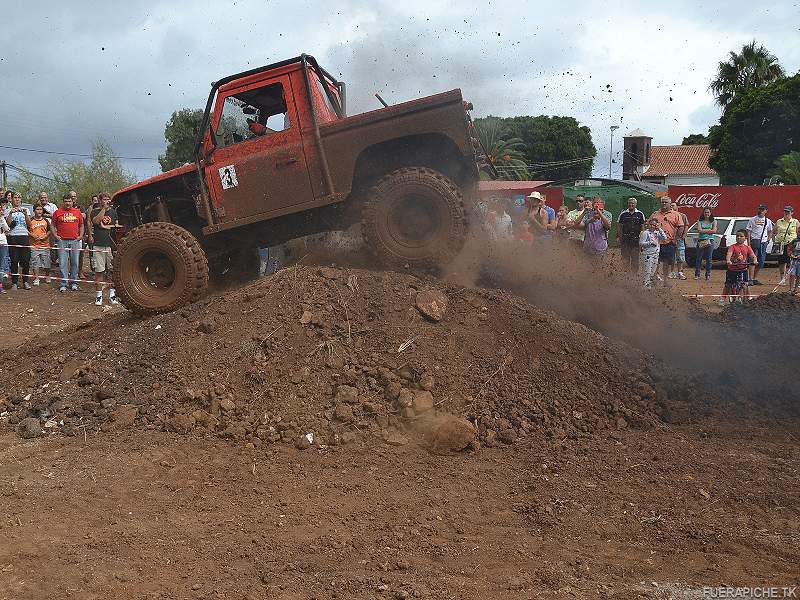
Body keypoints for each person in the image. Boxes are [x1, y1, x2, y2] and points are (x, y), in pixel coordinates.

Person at [90, 193, 119, 305]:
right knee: (99, 272)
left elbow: (116, 225)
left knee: (112, 271)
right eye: (104, 199)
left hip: (111, 246)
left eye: (108, 199)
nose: (106, 201)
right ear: (100, 201)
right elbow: (96, 222)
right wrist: (104, 210)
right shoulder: (95, 211)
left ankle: (112, 296)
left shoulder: (113, 212)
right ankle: (99, 296)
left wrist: (110, 226)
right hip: (99, 245)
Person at [52, 193, 85, 292]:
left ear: (72, 202)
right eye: (66, 201)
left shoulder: (77, 212)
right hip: (62, 241)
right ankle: (64, 283)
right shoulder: (58, 212)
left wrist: (81, 236)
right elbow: (52, 225)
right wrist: (55, 236)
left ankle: (74, 282)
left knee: (75, 262)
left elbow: (81, 225)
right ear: (63, 202)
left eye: (69, 201)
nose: (68, 203)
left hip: (75, 240)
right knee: (63, 263)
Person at [649, 197, 684, 287]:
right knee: (655, 261)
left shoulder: (676, 214)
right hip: (656, 243)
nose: (664, 204)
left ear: (670, 204)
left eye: (666, 202)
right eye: (662, 202)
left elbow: (681, 226)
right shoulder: (655, 214)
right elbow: (648, 224)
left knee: (667, 262)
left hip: (669, 242)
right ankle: (654, 278)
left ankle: (665, 280)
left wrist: (676, 239)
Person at [4, 192, 32, 290]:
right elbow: (8, 224)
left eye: (19, 198)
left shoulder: (26, 210)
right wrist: (11, 213)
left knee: (25, 261)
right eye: (15, 198)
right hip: (13, 237)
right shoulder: (7, 210)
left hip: (24, 236)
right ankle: (14, 283)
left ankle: (25, 282)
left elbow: (29, 224)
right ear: (12, 199)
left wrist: (25, 215)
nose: (17, 199)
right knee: (14, 260)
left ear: (21, 200)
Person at [722, 229, 756, 304]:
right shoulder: (732, 247)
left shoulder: (748, 247)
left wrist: (755, 260)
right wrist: (728, 260)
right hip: (732, 269)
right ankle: (722, 299)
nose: (739, 238)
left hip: (743, 269)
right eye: (737, 236)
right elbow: (729, 254)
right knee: (728, 284)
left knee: (745, 284)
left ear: (745, 238)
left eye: (741, 236)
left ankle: (749, 298)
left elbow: (753, 255)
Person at [745, 204, 773, 285]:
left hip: (763, 243)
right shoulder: (752, 219)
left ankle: (754, 278)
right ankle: (750, 279)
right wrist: (749, 243)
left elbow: (770, 231)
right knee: (752, 261)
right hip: (754, 242)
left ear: (766, 211)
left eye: (762, 209)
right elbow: (749, 232)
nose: (761, 211)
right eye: (760, 209)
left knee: (761, 262)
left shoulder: (768, 221)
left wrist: (768, 240)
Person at [616, 197, 645, 273]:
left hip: (636, 240)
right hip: (625, 239)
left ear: (636, 204)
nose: (631, 204)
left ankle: (634, 276)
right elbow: (619, 227)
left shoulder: (640, 214)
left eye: (633, 203)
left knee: (635, 259)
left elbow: (642, 227)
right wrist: (619, 237)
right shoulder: (623, 214)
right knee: (625, 258)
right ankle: (625, 275)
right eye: (629, 203)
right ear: (627, 204)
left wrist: (642, 239)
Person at [639, 218, 666, 289]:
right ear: (648, 225)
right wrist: (650, 243)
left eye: (654, 225)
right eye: (651, 224)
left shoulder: (657, 233)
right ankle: (645, 287)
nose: (652, 226)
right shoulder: (645, 233)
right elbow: (641, 243)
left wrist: (659, 229)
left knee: (652, 272)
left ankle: (648, 286)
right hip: (647, 255)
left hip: (655, 254)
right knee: (647, 272)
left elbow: (664, 238)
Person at [774, 206, 798, 286]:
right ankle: (782, 279)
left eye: (788, 212)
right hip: (781, 244)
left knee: (794, 262)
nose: (786, 213)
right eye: (785, 211)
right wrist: (774, 241)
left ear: (792, 213)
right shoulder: (779, 221)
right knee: (782, 262)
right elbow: (774, 232)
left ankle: (795, 280)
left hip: (792, 245)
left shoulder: (795, 222)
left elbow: (799, 233)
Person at [28, 204, 52, 286]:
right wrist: (32, 235)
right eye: (37, 209)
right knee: (35, 263)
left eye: (40, 209)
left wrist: (45, 236)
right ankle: (36, 278)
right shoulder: (30, 220)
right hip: (34, 245)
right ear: (34, 210)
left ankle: (47, 276)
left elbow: (49, 230)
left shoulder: (45, 220)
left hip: (45, 245)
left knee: (47, 262)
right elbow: (26, 230)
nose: (39, 211)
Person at [693, 208, 717, 281]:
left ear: (710, 213)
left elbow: (714, 231)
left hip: (710, 241)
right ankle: (697, 274)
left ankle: (708, 274)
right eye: (705, 212)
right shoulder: (700, 221)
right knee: (699, 258)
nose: (707, 214)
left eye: (708, 212)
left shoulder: (714, 221)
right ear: (703, 213)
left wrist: (704, 231)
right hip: (701, 240)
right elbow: (699, 230)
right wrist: (709, 231)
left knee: (709, 258)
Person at [669, 201, 690, 280]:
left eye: (673, 206)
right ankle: (671, 272)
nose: (671, 207)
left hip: (679, 240)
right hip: (670, 239)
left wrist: (683, 236)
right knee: (671, 256)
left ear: (677, 207)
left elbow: (686, 226)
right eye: (670, 206)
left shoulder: (682, 215)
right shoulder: (668, 215)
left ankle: (680, 272)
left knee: (680, 256)